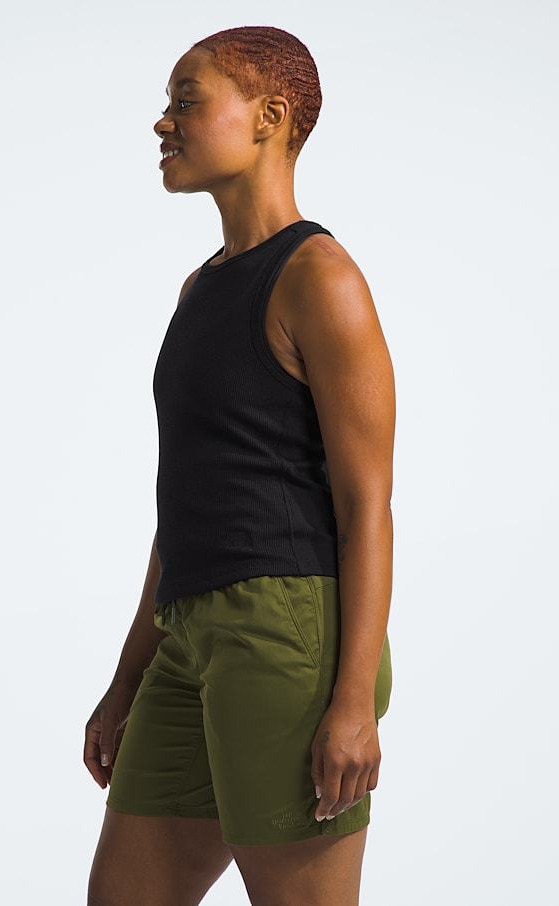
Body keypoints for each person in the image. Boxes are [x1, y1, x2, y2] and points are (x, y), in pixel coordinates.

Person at [84, 25, 395, 906]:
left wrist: (352, 703)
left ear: (269, 117)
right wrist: (128, 678)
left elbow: (366, 505)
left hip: (288, 636)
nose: (163, 122)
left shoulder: (320, 277)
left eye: (186, 100)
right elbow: (186, 506)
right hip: (187, 635)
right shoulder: (201, 288)